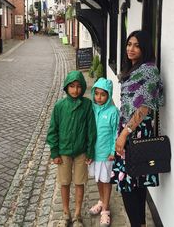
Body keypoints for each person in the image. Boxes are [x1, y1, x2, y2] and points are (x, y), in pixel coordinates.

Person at [110, 30, 164, 227]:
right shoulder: (131, 69)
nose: (130, 49)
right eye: (129, 44)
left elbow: (144, 108)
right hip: (127, 130)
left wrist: (124, 134)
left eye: (136, 45)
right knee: (133, 183)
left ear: (145, 49)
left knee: (129, 185)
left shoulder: (149, 71)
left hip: (136, 131)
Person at [46, 70, 96, 227]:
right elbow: (53, 130)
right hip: (64, 151)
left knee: (79, 182)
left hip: (81, 152)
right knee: (65, 182)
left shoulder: (87, 105)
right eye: (72, 86)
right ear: (66, 87)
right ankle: (66, 213)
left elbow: (91, 129)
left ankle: (77, 215)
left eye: (79, 86)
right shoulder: (60, 106)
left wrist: (90, 151)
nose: (75, 90)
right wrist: (55, 152)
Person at [88, 77, 119, 227]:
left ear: (109, 95)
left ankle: (105, 210)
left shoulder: (113, 112)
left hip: (107, 154)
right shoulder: (92, 109)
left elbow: (115, 133)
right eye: (97, 94)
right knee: (99, 180)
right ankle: (102, 200)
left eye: (103, 94)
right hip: (94, 154)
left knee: (106, 181)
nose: (99, 97)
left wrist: (113, 150)